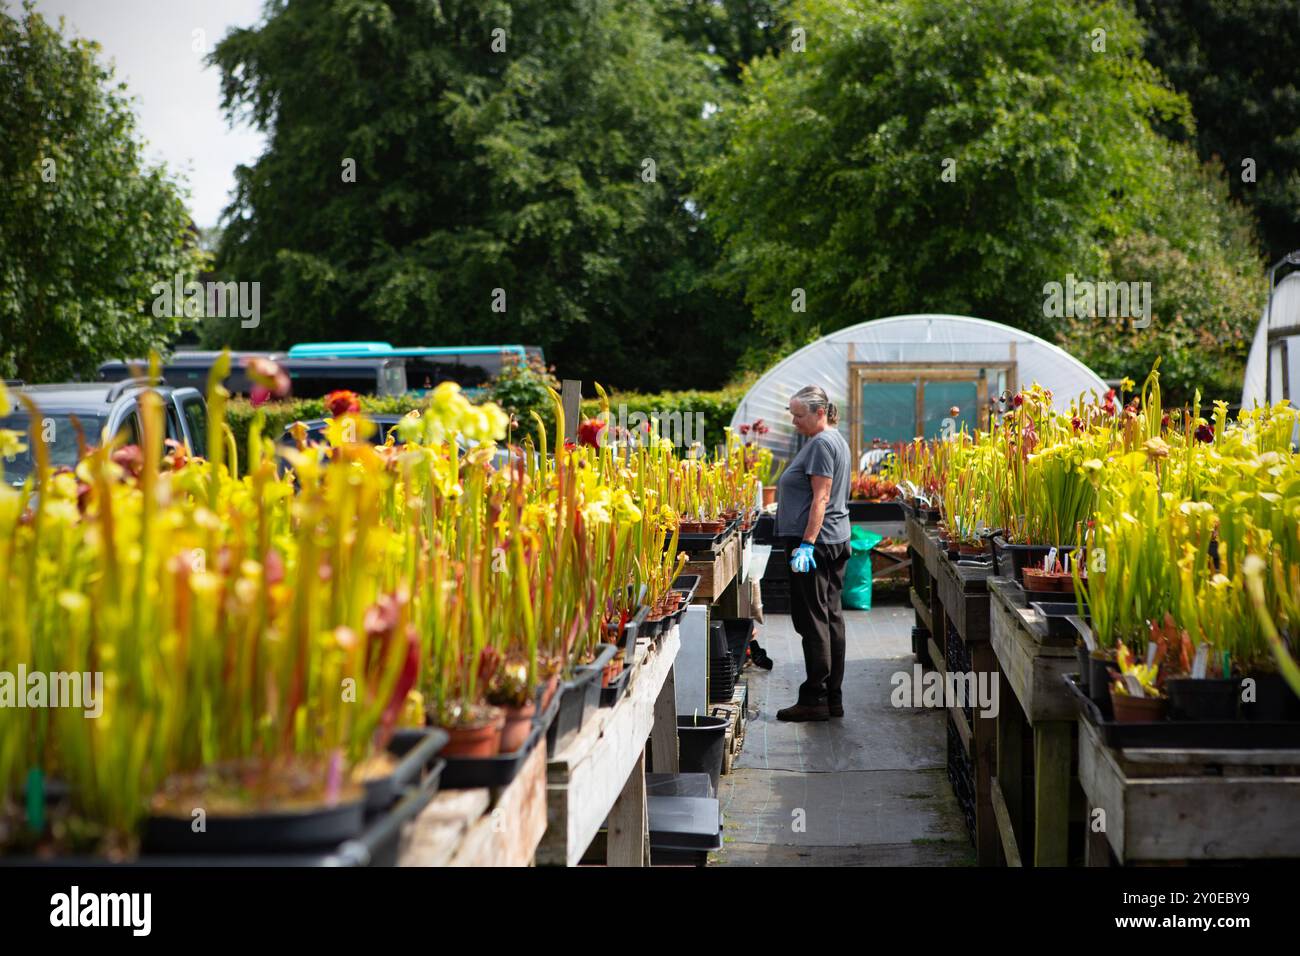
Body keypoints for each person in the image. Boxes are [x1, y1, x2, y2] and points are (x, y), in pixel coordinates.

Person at [773, 385, 852, 721]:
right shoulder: (836, 439)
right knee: (830, 616)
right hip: (834, 537)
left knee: (812, 618)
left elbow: (820, 498)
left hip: (816, 543)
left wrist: (806, 544)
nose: (794, 421)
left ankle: (814, 698)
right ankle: (832, 697)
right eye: (791, 414)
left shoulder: (820, 444)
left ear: (820, 413)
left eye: (799, 415)